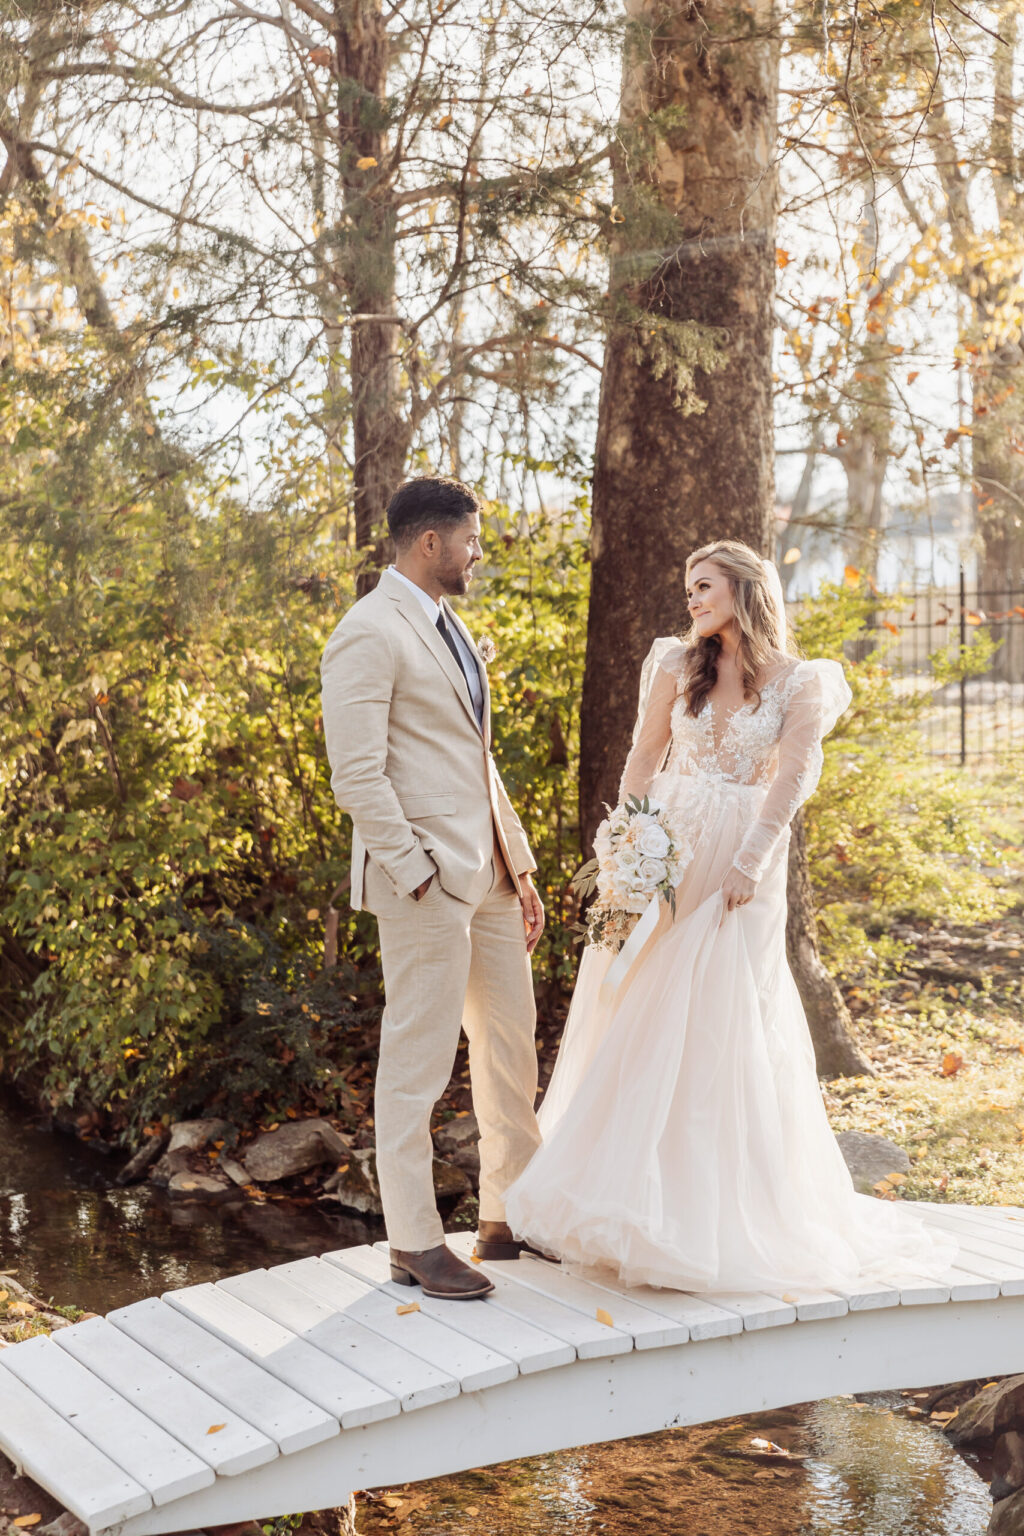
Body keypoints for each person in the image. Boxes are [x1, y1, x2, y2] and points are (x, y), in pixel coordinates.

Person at [505, 540, 955, 1293]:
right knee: (644, 1010)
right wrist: (627, 840)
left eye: (704, 585)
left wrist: (749, 861)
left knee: (718, 1016)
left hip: (741, 862)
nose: (691, 598)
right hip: (670, 849)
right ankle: (628, 1207)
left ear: (745, 590)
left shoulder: (799, 681)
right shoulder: (675, 666)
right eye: (687, 587)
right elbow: (642, 760)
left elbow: (796, 776)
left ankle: (715, 1214)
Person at [321, 476, 546, 1300]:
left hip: (485, 875)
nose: (477, 553)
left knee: (508, 1048)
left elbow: (476, 763)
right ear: (429, 543)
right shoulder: (367, 633)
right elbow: (356, 776)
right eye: (471, 540)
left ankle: (506, 1217)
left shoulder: (451, 626)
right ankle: (413, 1241)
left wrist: (516, 867)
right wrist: (413, 873)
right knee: (416, 1064)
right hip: (421, 885)